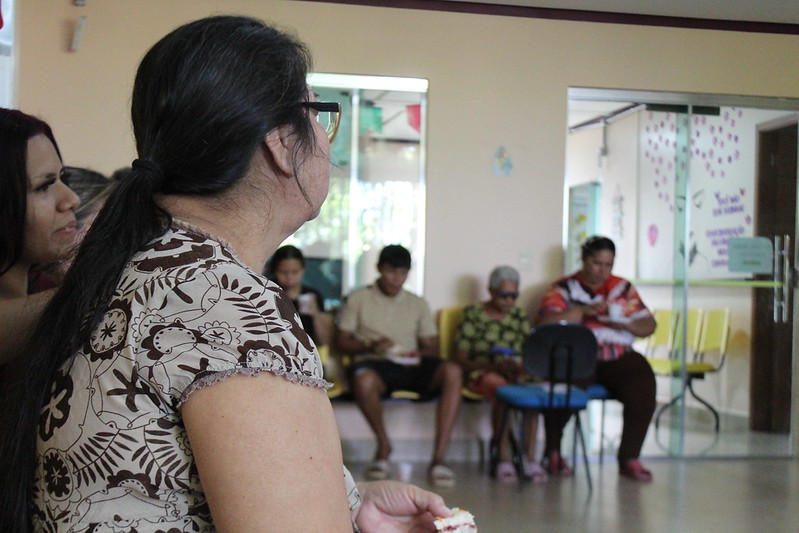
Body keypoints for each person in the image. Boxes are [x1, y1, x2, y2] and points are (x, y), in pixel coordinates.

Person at [0, 16, 453, 532]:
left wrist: (349, 502)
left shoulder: (137, 265)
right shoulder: (230, 307)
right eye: (321, 116)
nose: (326, 143)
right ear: (281, 142)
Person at [336, 244, 463, 488]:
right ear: (380, 269)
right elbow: (341, 342)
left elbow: (431, 346)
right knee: (363, 378)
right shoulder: (359, 298)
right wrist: (371, 346)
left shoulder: (417, 303)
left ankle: (439, 459)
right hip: (375, 363)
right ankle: (384, 445)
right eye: (392, 272)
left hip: (410, 364)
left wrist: (417, 353)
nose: (397, 279)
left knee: (452, 371)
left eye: (403, 273)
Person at [537, 235, 657, 482]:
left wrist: (628, 325)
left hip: (617, 356)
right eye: (596, 263)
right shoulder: (564, 288)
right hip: (579, 356)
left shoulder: (622, 288)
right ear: (583, 260)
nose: (602, 270)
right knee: (561, 391)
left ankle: (629, 458)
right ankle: (553, 454)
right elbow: (546, 323)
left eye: (608, 265)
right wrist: (581, 311)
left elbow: (649, 324)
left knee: (643, 383)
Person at [453, 265, 547, 483]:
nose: (508, 301)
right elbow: (460, 357)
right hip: (483, 371)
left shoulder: (518, 316)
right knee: (501, 390)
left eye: (514, 296)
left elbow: (530, 351)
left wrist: (519, 366)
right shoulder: (474, 314)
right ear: (491, 291)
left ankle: (529, 458)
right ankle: (503, 459)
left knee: (533, 392)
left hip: (515, 371)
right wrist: (495, 366)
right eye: (504, 295)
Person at [267, 244, 331, 346]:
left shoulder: (312, 296)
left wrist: (315, 314)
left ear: (303, 269)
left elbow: (324, 341)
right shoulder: (268, 293)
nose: (289, 277)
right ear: (274, 271)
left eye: (295, 272)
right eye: (283, 272)